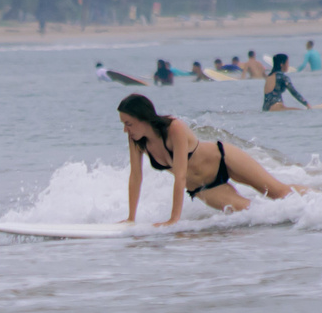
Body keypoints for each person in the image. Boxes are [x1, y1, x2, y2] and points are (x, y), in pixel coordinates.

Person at [116, 93, 303, 225]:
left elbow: (179, 176)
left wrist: (173, 220)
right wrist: (131, 218)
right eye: (124, 124)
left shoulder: (174, 128)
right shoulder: (136, 140)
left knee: (280, 193)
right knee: (251, 212)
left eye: (128, 123)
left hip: (223, 159)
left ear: (144, 118)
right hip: (203, 188)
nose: (126, 129)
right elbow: (136, 177)